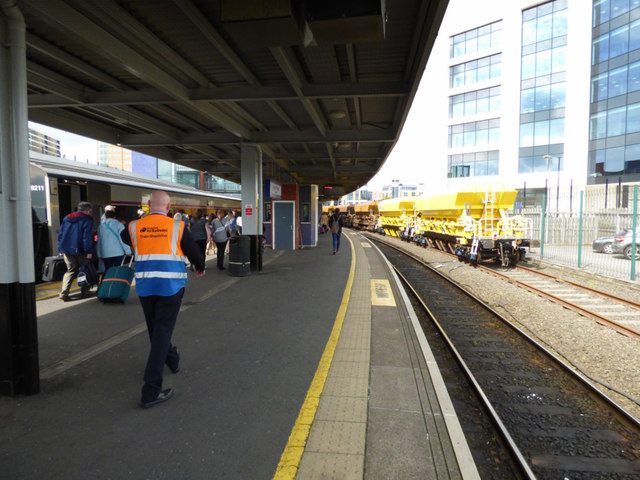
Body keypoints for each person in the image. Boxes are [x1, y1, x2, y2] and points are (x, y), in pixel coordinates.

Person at [120, 190, 205, 409]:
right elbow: (193, 251)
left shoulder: (133, 227)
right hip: (171, 286)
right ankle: (151, 391)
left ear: (149, 205)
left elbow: (124, 237)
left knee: (156, 331)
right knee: (162, 332)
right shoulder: (177, 226)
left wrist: (145, 226)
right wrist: (200, 266)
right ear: (168, 208)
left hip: (146, 286)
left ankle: (172, 359)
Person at [58, 201, 95, 301]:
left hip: (66, 249)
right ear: (87, 210)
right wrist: (89, 251)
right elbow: (87, 237)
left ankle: (64, 293)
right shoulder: (87, 220)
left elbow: (61, 233)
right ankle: (85, 291)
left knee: (70, 270)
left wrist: (60, 248)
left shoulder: (67, 218)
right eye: (90, 211)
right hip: (81, 250)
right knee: (85, 269)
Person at [97, 209, 131, 276]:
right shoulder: (119, 225)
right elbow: (122, 239)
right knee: (117, 271)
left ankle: (106, 285)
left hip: (105, 253)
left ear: (105, 217)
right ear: (114, 217)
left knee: (108, 271)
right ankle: (116, 285)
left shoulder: (100, 226)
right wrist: (128, 251)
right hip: (118, 252)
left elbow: (99, 242)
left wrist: (99, 254)